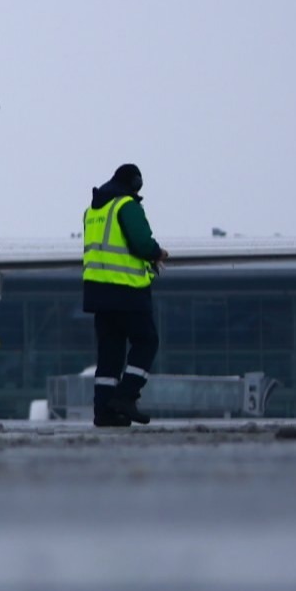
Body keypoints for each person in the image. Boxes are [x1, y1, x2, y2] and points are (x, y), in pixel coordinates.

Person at [83, 162, 167, 427]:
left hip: (99, 293)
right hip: (128, 290)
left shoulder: (93, 210)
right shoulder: (125, 205)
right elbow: (141, 242)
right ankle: (127, 396)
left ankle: (104, 411)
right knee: (146, 342)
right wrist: (157, 253)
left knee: (110, 353)